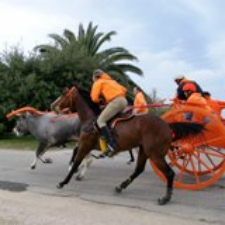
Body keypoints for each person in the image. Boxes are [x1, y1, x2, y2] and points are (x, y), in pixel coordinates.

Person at [90, 69, 128, 155]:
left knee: (100, 121)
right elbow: (124, 90)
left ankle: (111, 144)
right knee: (110, 120)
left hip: (116, 102)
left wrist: (100, 100)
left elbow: (94, 98)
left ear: (95, 77)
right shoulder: (111, 81)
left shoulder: (98, 82)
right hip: (124, 101)